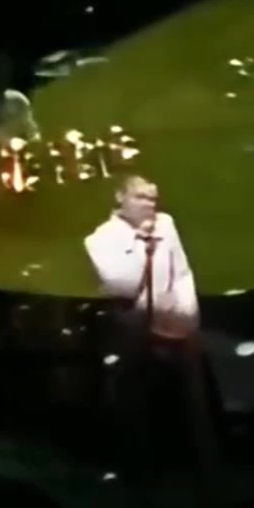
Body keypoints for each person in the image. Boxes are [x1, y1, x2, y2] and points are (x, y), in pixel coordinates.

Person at [83, 175, 219, 489]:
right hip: (133, 336)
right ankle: (141, 481)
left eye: (153, 198)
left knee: (195, 405)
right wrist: (141, 244)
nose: (150, 205)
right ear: (121, 198)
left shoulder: (166, 225)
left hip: (177, 329)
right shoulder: (100, 240)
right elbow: (125, 285)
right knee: (137, 408)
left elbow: (182, 272)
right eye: (141, 198)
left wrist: (186, 316)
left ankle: (207, 477)